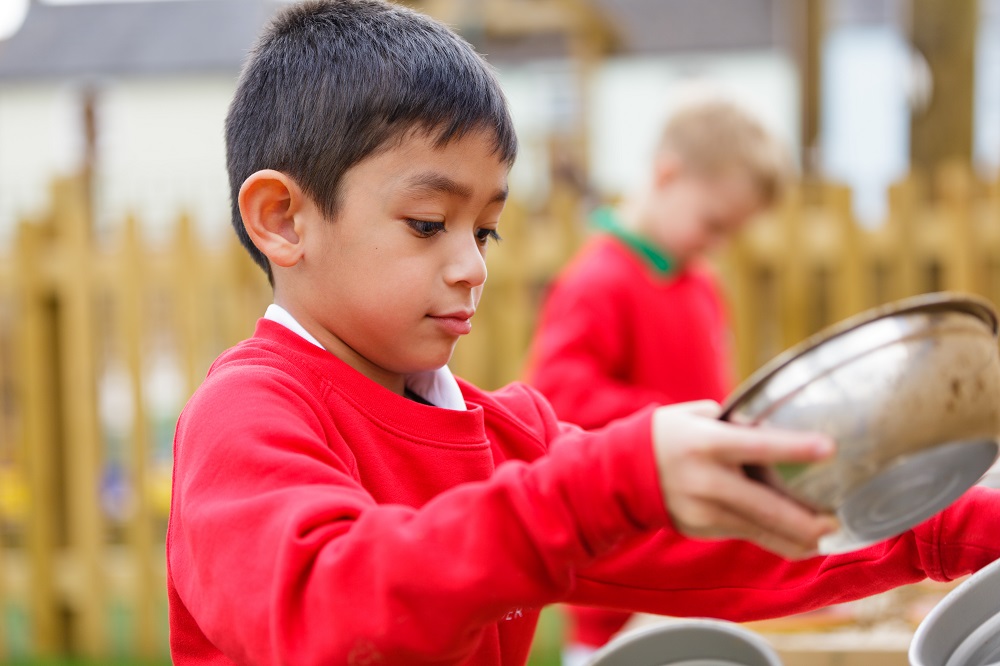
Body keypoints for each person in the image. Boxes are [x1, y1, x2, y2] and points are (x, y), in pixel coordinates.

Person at [166, 2, 1000, 665]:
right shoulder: (246, 416)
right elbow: (329, 611)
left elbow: (732, 536)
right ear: (283, 220)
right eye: (428, 224)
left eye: (483, 230)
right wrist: (614, 478)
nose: (471, 267)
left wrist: (952, 528)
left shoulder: (499, 438)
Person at [524, 99, 792, 662]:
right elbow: (558, 399)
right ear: (667, 175)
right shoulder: (599, 281)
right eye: (713, 223)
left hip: (695, 559)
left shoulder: (700, 284)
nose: (717, 244)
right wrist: (674, 418)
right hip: (618, 590)